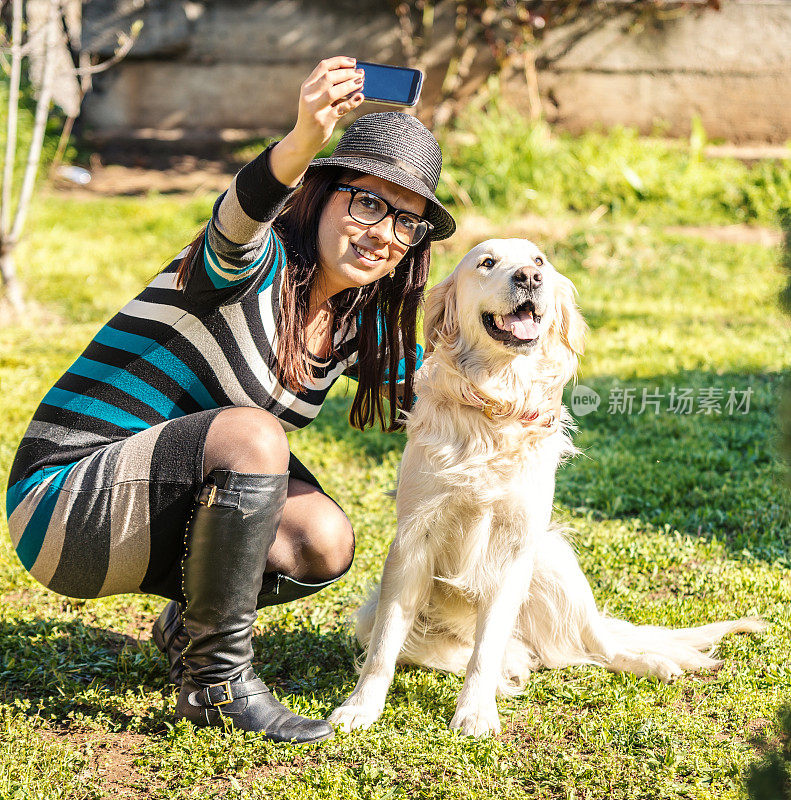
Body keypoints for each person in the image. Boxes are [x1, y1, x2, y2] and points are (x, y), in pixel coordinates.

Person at [4, 57, 456, 743]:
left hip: (142, 513)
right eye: (367, 201)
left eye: (405, 223)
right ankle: (215, 688)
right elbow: (239, 213)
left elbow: (441, 393)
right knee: (254, 438)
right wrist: (305, 135)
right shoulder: (253, 262)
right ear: (319, 195)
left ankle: (190, 629)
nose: (382, 232)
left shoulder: (357, 324)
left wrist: (527, 381)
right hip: (64, 506)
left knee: (324, 540)